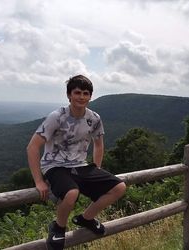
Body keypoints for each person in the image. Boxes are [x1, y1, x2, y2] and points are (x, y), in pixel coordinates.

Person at [27, 75, 127, 250]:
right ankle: (58, 228)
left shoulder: (94, 118)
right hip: (54, 165)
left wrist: (97, 169)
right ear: (69, 95)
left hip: (80, 165)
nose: (81, 97)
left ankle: (86, 218)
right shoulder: (57, 117)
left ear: (90, 96)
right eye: (77, 92)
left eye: (86, 93)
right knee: (72, 193)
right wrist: (38, 181)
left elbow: (98, 144)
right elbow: (32, 147)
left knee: (119, 188)